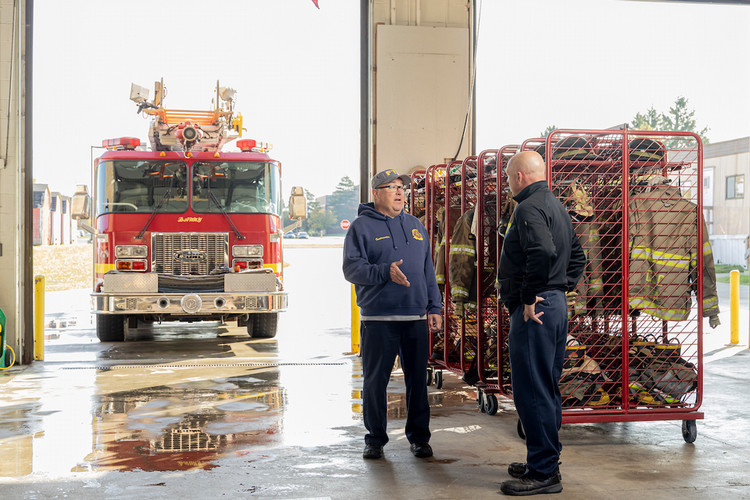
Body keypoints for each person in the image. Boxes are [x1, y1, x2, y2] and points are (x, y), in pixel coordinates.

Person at [496, 151, 586, 496]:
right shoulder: (554, 204)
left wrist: (533, 296)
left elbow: (543, 252)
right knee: (545, 387)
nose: (507, 185)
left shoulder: (528, 207)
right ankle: (543, 461)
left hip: (537, 310)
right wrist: (560, 288)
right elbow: (576, 255)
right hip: (553, 304)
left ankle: (544, 472)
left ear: (519, 176)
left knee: (532, 390)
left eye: (507, 178)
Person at [343, 169, 443, 460]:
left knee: (417, 383)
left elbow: (428, 270)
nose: (400, 192)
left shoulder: (415, 225)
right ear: (376, 193)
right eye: (392, 187)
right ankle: (375, 439)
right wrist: (384, 272)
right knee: (375, 382)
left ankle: (419, 439)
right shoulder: (361, 228)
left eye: (402, 187)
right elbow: (351, 269)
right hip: (378, 320)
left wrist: (433, 307)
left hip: (415, 318)